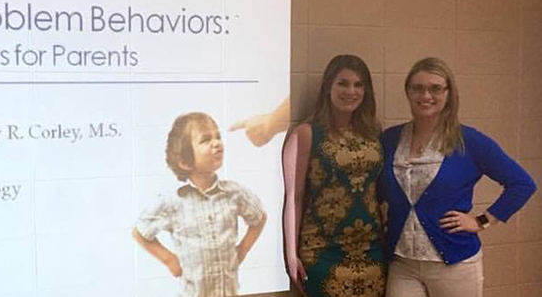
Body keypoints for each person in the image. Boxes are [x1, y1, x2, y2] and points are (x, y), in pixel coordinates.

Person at [380, 57, 537, 297]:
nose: (426, 95)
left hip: (454, 263)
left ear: (448, 93)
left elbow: (522, 184)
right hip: (403, 263)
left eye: (435, 88)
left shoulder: (468, 141)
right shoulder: (390, 139)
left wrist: (481, 221)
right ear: (408, 92)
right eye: (417, 88)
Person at [282, 54, 386, 297]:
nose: (351, 91)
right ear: (328, 87)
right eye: (343, 83)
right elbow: (293, 197)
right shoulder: (306, 134)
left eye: (358, 85)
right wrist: (290, 254)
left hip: (371, 249)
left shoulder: (373, 131)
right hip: (321, 250)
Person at [132, 112, 267, 297]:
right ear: (184, 161)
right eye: (205, 140)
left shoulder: (233, 193)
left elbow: (259, 217)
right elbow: (140, 231)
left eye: (217, 136)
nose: (217, 143)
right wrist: (169, 260)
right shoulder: (173, 200)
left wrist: (242, 250)